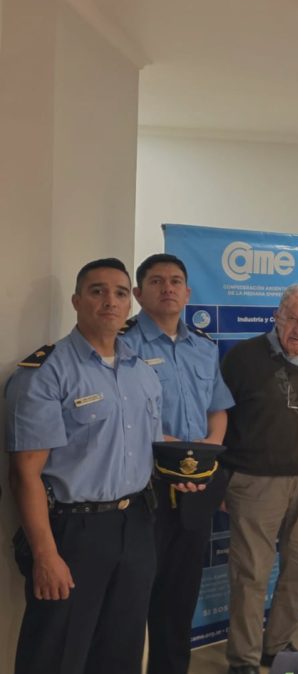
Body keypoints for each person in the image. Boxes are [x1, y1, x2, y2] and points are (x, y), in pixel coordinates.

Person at [5, 258, 163, 674]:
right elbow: (24, 474)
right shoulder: (46, 373)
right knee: (56, 654)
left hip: (136, 524)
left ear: (130, 303)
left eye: (120, 292)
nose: (110, 301)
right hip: (73, 532)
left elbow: (152, 448)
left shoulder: (142, 372)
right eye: (97, 291)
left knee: (122, 649)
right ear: (77, 301)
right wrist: (45, 554)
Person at [119, 253, 235, 674]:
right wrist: (180, 456)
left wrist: (206, 452)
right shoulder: (122, 344)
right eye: (156, 281)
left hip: (197, 486)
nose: (167, 288)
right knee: (132, 597)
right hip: (144, 489)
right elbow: (128, 419)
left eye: (175, 281)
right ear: (138, 293)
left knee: (179, 596)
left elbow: (217, 408)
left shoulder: (203, 346)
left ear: (187, 293)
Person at [219, 284, 298, 674]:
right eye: (292, 319)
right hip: (256, 482)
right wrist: (221, 478)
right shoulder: (243, 358)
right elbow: (219, 418)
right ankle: (244, 658)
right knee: (251, 574)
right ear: (277, 317)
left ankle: (276, 646)